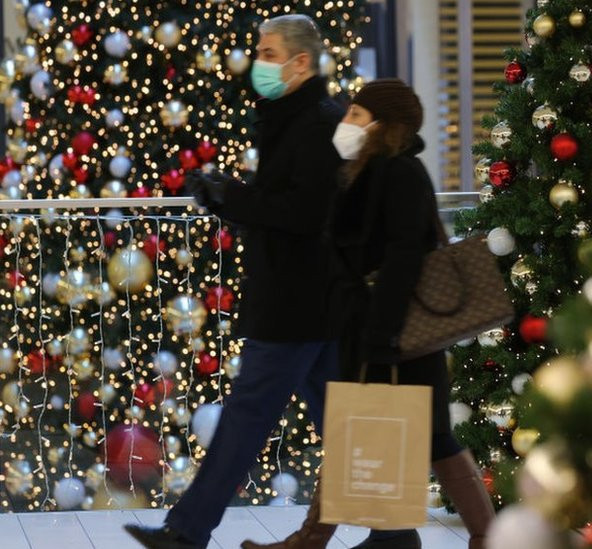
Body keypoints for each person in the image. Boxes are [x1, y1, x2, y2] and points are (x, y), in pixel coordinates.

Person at [244, 79, 497, 549]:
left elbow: (403, 256)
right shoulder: (365, 170)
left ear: (385, 125)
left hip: (395, 330)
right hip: (372, 327)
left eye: (357, 115)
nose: (346, 121)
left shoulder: (399, 172)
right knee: (388, 431)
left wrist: (383, 332)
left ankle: (320, 540)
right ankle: (349, 538)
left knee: (413, 435)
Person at [124, 14, 344, 549]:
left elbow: (305, 213)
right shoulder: (293, 116)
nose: (259, 62)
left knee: (248, 417)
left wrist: (234, 197)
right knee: (348, 426)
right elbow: (282, 209)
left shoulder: (317, 121)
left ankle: (187, 530)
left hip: (298, 302)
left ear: (299, 62)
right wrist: (227, 197)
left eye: (269, 52)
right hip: (307, 301)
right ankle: (394, 530)